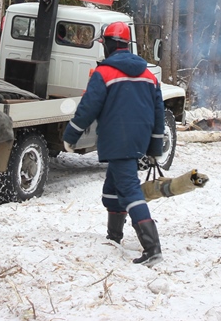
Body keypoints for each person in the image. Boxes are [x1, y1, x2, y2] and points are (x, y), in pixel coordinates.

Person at [62, 21, 166, 266]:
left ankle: (152, 248)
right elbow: (159, 113)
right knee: (113, 188)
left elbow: (88, 107)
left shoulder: (104, 73)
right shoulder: (149, 76)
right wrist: (155, 148)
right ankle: (114, 237)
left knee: (130, 191)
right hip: (137, 140)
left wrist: (70, 136)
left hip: (117, 141)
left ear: (108, 44)